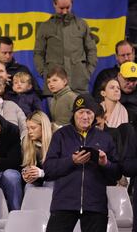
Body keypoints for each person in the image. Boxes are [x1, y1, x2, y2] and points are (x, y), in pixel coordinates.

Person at [44, 94, 121, 232]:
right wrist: (72, 161)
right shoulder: (60, 135)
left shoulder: (105, 138)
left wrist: (105, 164)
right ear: (74, 114)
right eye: (81, 112)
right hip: (64, 204)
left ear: (94, 115)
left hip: (95, 206)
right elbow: (48, 169)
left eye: (89, 112)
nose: (85, 117)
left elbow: (115, 175)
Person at [34, 0, 97, 95]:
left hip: (78, 85)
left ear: (72, 3)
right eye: (61, 8)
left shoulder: (82, 25)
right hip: (54, 88)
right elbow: (38, 53)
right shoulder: (45, 27)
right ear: (54, 4)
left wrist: (87, 73)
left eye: (67, 7)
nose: (64, 11)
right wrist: (45, 74)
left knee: (80, 112)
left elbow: (91, 50)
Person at [21, 111, 53, 188]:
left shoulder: (58, 138)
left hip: (54, 179)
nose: (29, 132)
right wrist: (26, 173)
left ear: (43, 127)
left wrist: (41, 173)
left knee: (49, 183)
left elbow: (62, 168)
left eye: (33, 128)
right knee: (28, 186)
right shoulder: (26, 141)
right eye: (28, 128)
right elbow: (25, 165)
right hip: (37, 180)